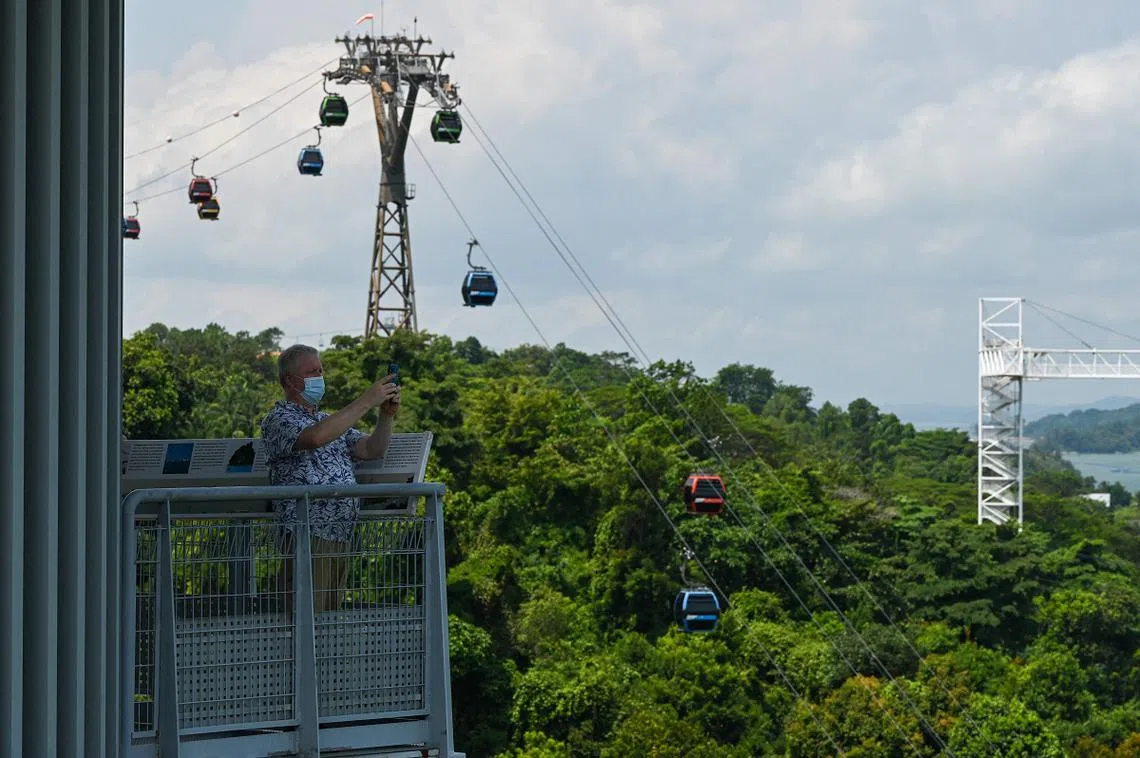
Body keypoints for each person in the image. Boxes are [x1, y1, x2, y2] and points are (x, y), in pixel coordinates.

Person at [260, 343, 400, 613]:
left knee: (329, 624)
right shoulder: (279, 418)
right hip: (306, 535)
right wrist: (366, 400)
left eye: (321, 370)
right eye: (313, 372)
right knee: (305, 621)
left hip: (340, 535)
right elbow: (315, 438)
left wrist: (385, 415)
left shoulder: (328, 420)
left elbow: (372, 448)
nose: (320, 376)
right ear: (290, 380)